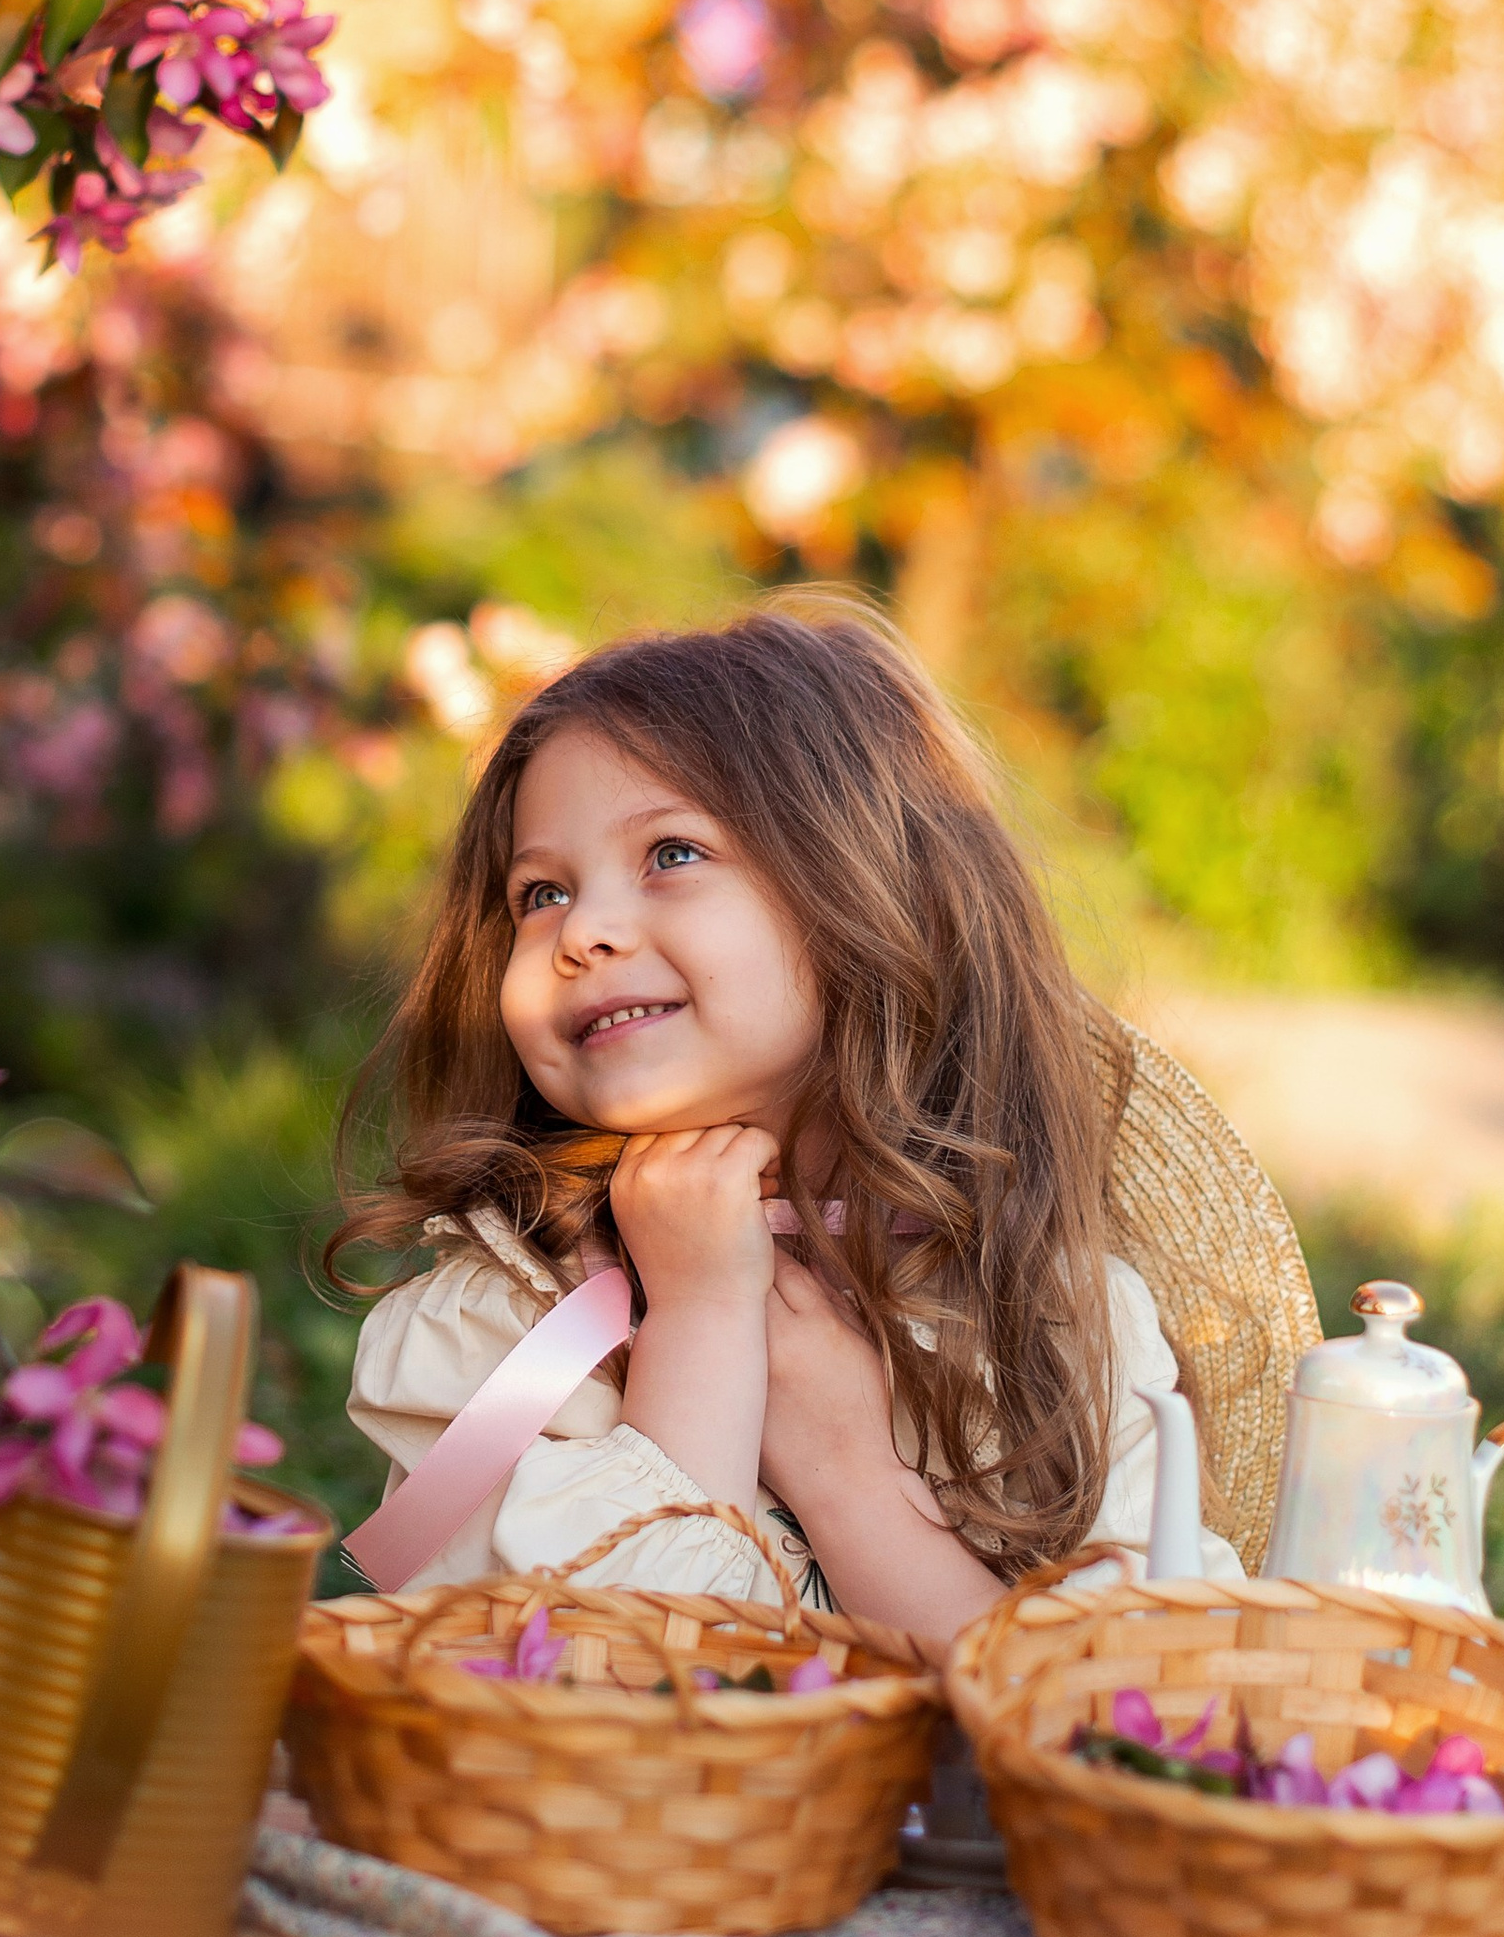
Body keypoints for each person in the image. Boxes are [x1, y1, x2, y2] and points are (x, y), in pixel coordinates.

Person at [333, 599, 1245, 1651]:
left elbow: (1124, 1719)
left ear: (872, 895)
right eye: (539, 891)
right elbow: (605, 1696)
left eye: (671, 853)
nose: (582, 931)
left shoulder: (1054, 1323)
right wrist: (701, 1327)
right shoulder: (512, 1333)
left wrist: (844, 1472)